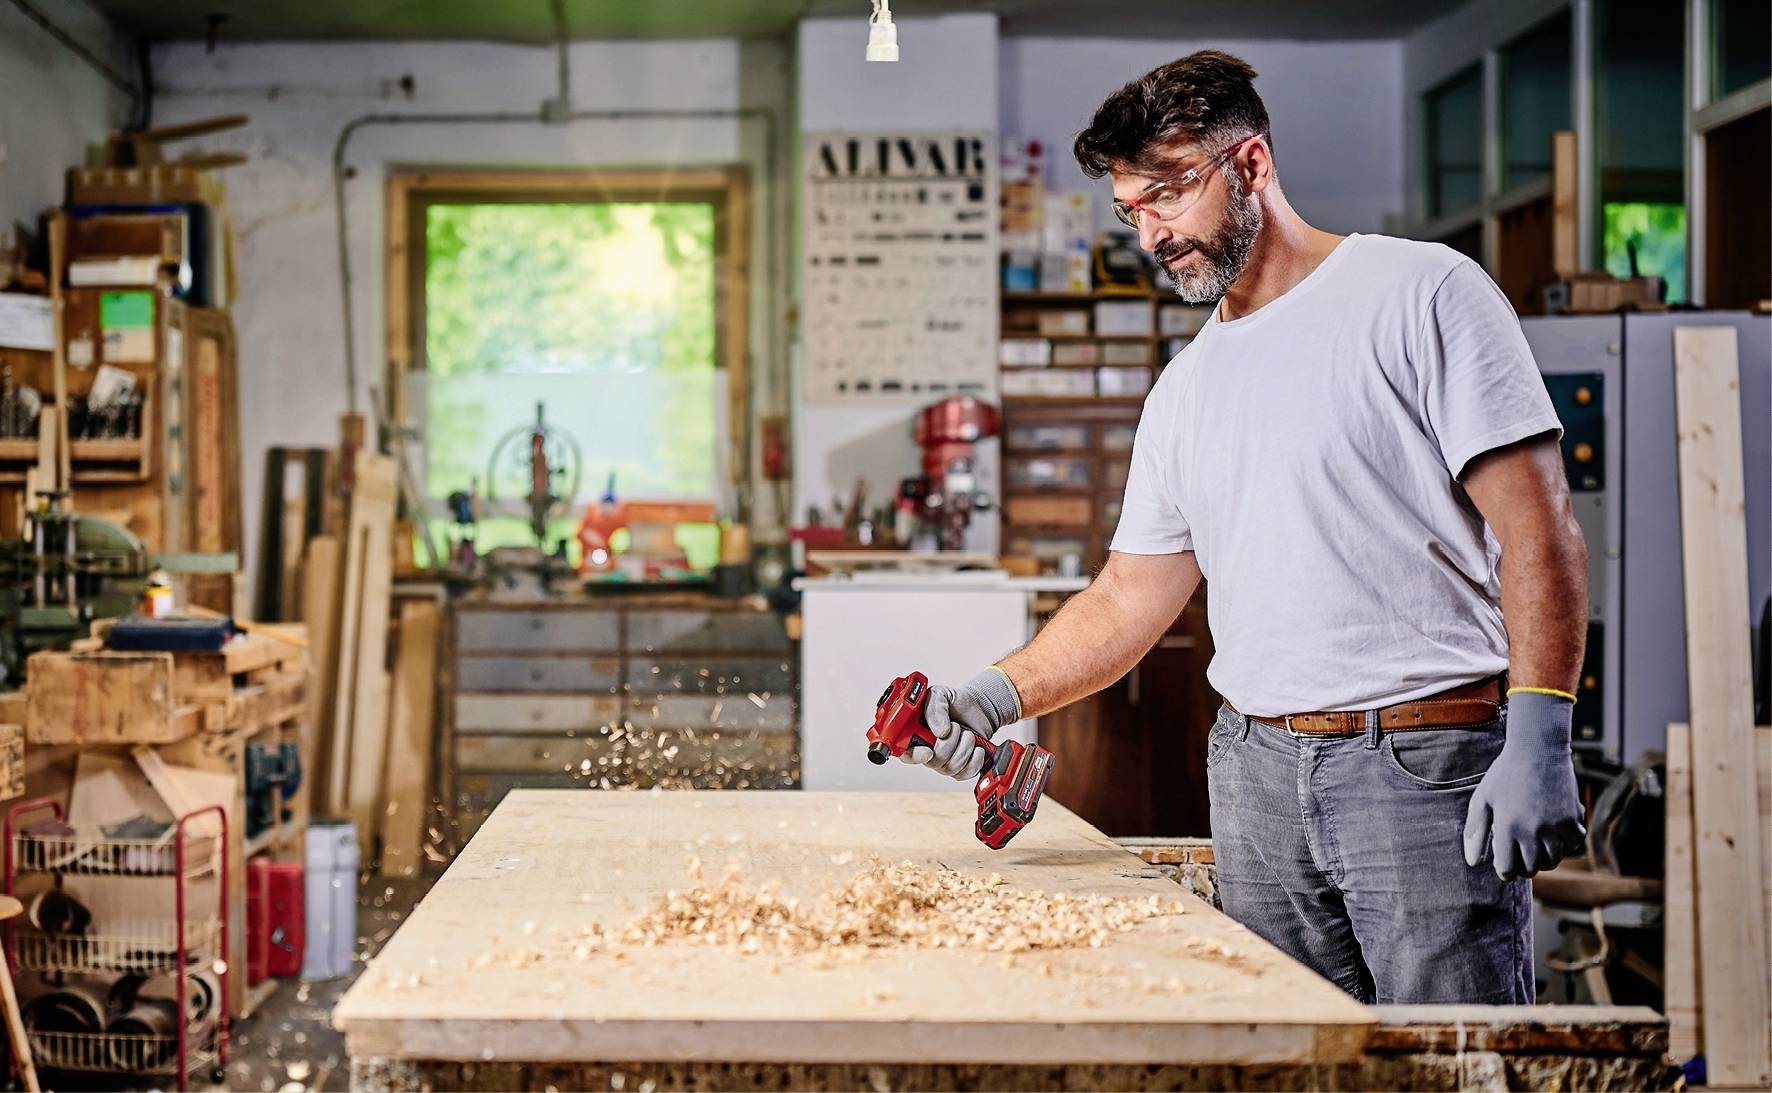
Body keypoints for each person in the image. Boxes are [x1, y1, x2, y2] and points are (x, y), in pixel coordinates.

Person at [898, 50, 1587, 1005]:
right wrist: (991, 693)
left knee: (1447, 1059)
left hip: (1420, 761)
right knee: (1290, 1052)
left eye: (1171, 192)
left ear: (1252, 164)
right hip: (1256, 772)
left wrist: (1544, 726)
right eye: (1132, 209)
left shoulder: (1422, 293)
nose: (1154, 233)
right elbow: (1130, 595)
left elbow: (1539, 525)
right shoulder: (1185, 389)